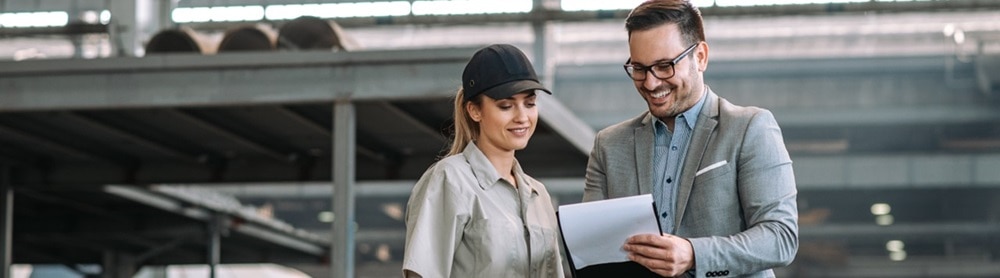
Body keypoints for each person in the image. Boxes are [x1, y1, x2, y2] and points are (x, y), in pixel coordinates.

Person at [582, 1, 799, 277]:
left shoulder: (749, 128)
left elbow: (780, 237)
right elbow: (592, 251)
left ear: (700, 56)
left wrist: (694, 254)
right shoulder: (609, 146)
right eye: (639, 68)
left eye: (664, 66)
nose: (650, 83)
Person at [402, 44, 565, 278]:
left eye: (530, 103)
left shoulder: (539, 195)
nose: (522, 117)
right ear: (474, 111)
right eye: (506, 106)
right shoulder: (451, 180)